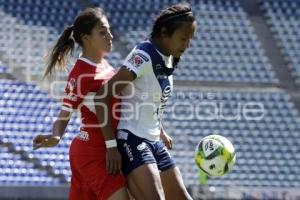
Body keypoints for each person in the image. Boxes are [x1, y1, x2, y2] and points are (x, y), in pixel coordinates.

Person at [94, 3, 196, 200]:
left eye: (190, 40)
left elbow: (147, 98)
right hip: (132, 140)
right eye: (183, 39)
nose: (187, 45)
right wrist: (111, 146)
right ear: (165, 33)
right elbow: (102, 95)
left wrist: (159, 129)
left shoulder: (168, 57)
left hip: (154, 141)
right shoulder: (144, 56)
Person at [32, 7, 129, 200]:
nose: (110, 36)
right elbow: (65, 114)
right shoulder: (80, 74)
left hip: (107, 150)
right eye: (102, 32)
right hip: (93, 153)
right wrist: (56, 136)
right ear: (86, 38)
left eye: (109, 30)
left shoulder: (104, 64)